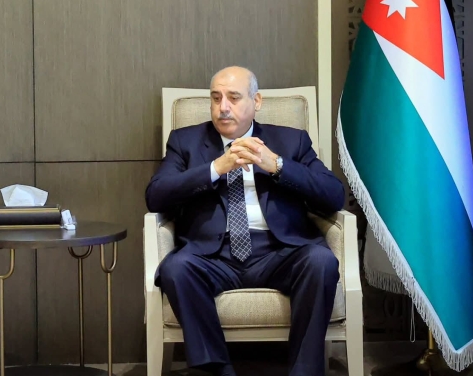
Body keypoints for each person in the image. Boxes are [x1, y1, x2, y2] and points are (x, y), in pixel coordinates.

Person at [146, 66, 345, 376]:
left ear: (257, 101)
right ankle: (218, 370)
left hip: (280, 252)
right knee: (176, 268)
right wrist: (215, 168)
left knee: (321, 261)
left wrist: (278, 165)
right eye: (216, 98)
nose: (223, 107)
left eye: (234, 98)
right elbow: (156, 196)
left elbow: (333, 196)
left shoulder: (290, 140)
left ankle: (304, 371)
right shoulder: (185, 141)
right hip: (213, 255)